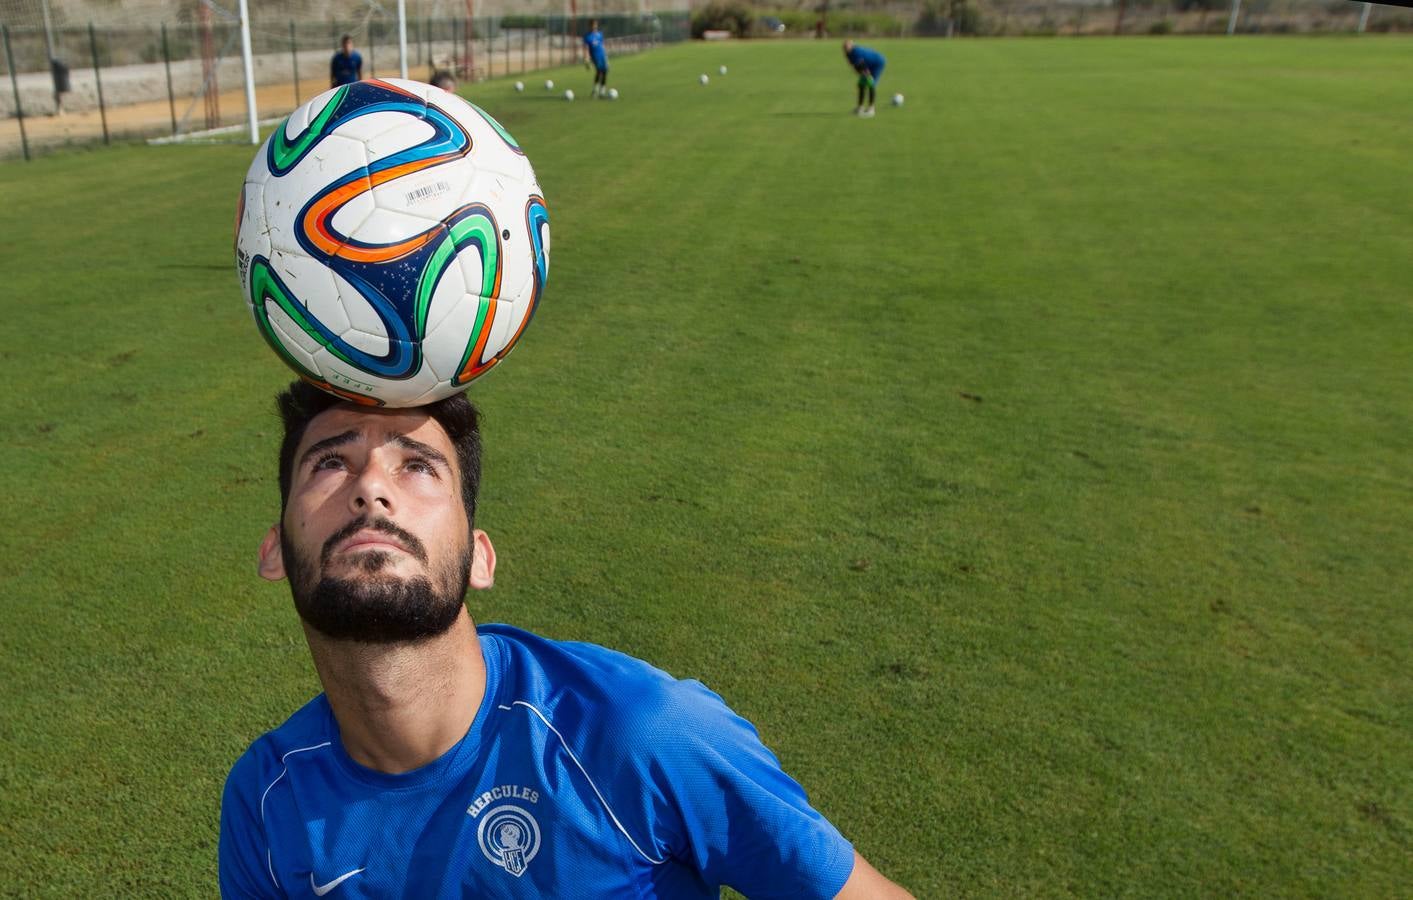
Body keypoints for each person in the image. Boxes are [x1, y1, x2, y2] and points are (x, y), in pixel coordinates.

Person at [218, 381, 914, 898]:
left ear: (479, 557)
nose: (372, 489)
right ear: (276, 548)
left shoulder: (638, 731)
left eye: (417, 467)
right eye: (329, 465)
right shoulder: (267, 798)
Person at [842, 40, 885, 118]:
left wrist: (867, 75)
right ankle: (860, 108)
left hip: (877, 63)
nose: (845, 48)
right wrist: (862, 74)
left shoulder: (856, 52)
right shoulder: (849, 54)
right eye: (844, 47)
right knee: (861, 85)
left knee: (871, 84)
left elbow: (862, 65)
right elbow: (855, 66)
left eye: (847, 46)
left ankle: (871, 109)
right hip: (868, 65)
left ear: (852, 46)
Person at [582, 19, 609, 98]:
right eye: (593, 25)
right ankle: (595, 90)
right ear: (590, 26)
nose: (594, 26)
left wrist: (606, 56)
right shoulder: (587, 36)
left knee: (605, 72)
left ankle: (602, 91)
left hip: (602, 56)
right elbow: (586, 48)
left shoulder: (600, 34)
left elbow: (602, 45)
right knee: (599, 71)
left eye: (595, 24)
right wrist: (586, 59)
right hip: (595, 56)